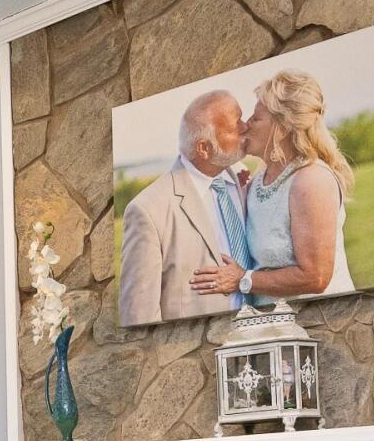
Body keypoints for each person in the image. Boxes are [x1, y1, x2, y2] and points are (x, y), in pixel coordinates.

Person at [193, 68, 354, 303]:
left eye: (256, 118)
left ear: (283, 128)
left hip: (320, 322)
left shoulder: (311, 181)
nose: (245, 125)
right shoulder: (258, 180)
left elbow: (316, 277)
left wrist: (242, 280)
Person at [117, 89, 245, 326]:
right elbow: (138, 316)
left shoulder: (239, 180)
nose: (245, 128)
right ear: (204, 148)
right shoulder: (148, 210)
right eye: (234, 126)